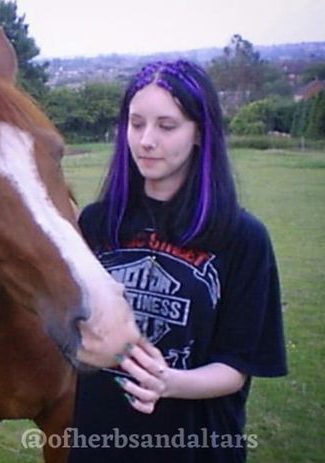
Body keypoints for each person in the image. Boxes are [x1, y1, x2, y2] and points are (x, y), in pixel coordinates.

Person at [68, 60, 287, 463]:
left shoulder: (243, 239)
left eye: (166, 126)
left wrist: (168, 382)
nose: (146, 140)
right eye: (136, 124)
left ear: (200, 132)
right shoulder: (96, 223)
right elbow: (76, 332)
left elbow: (236, 366)